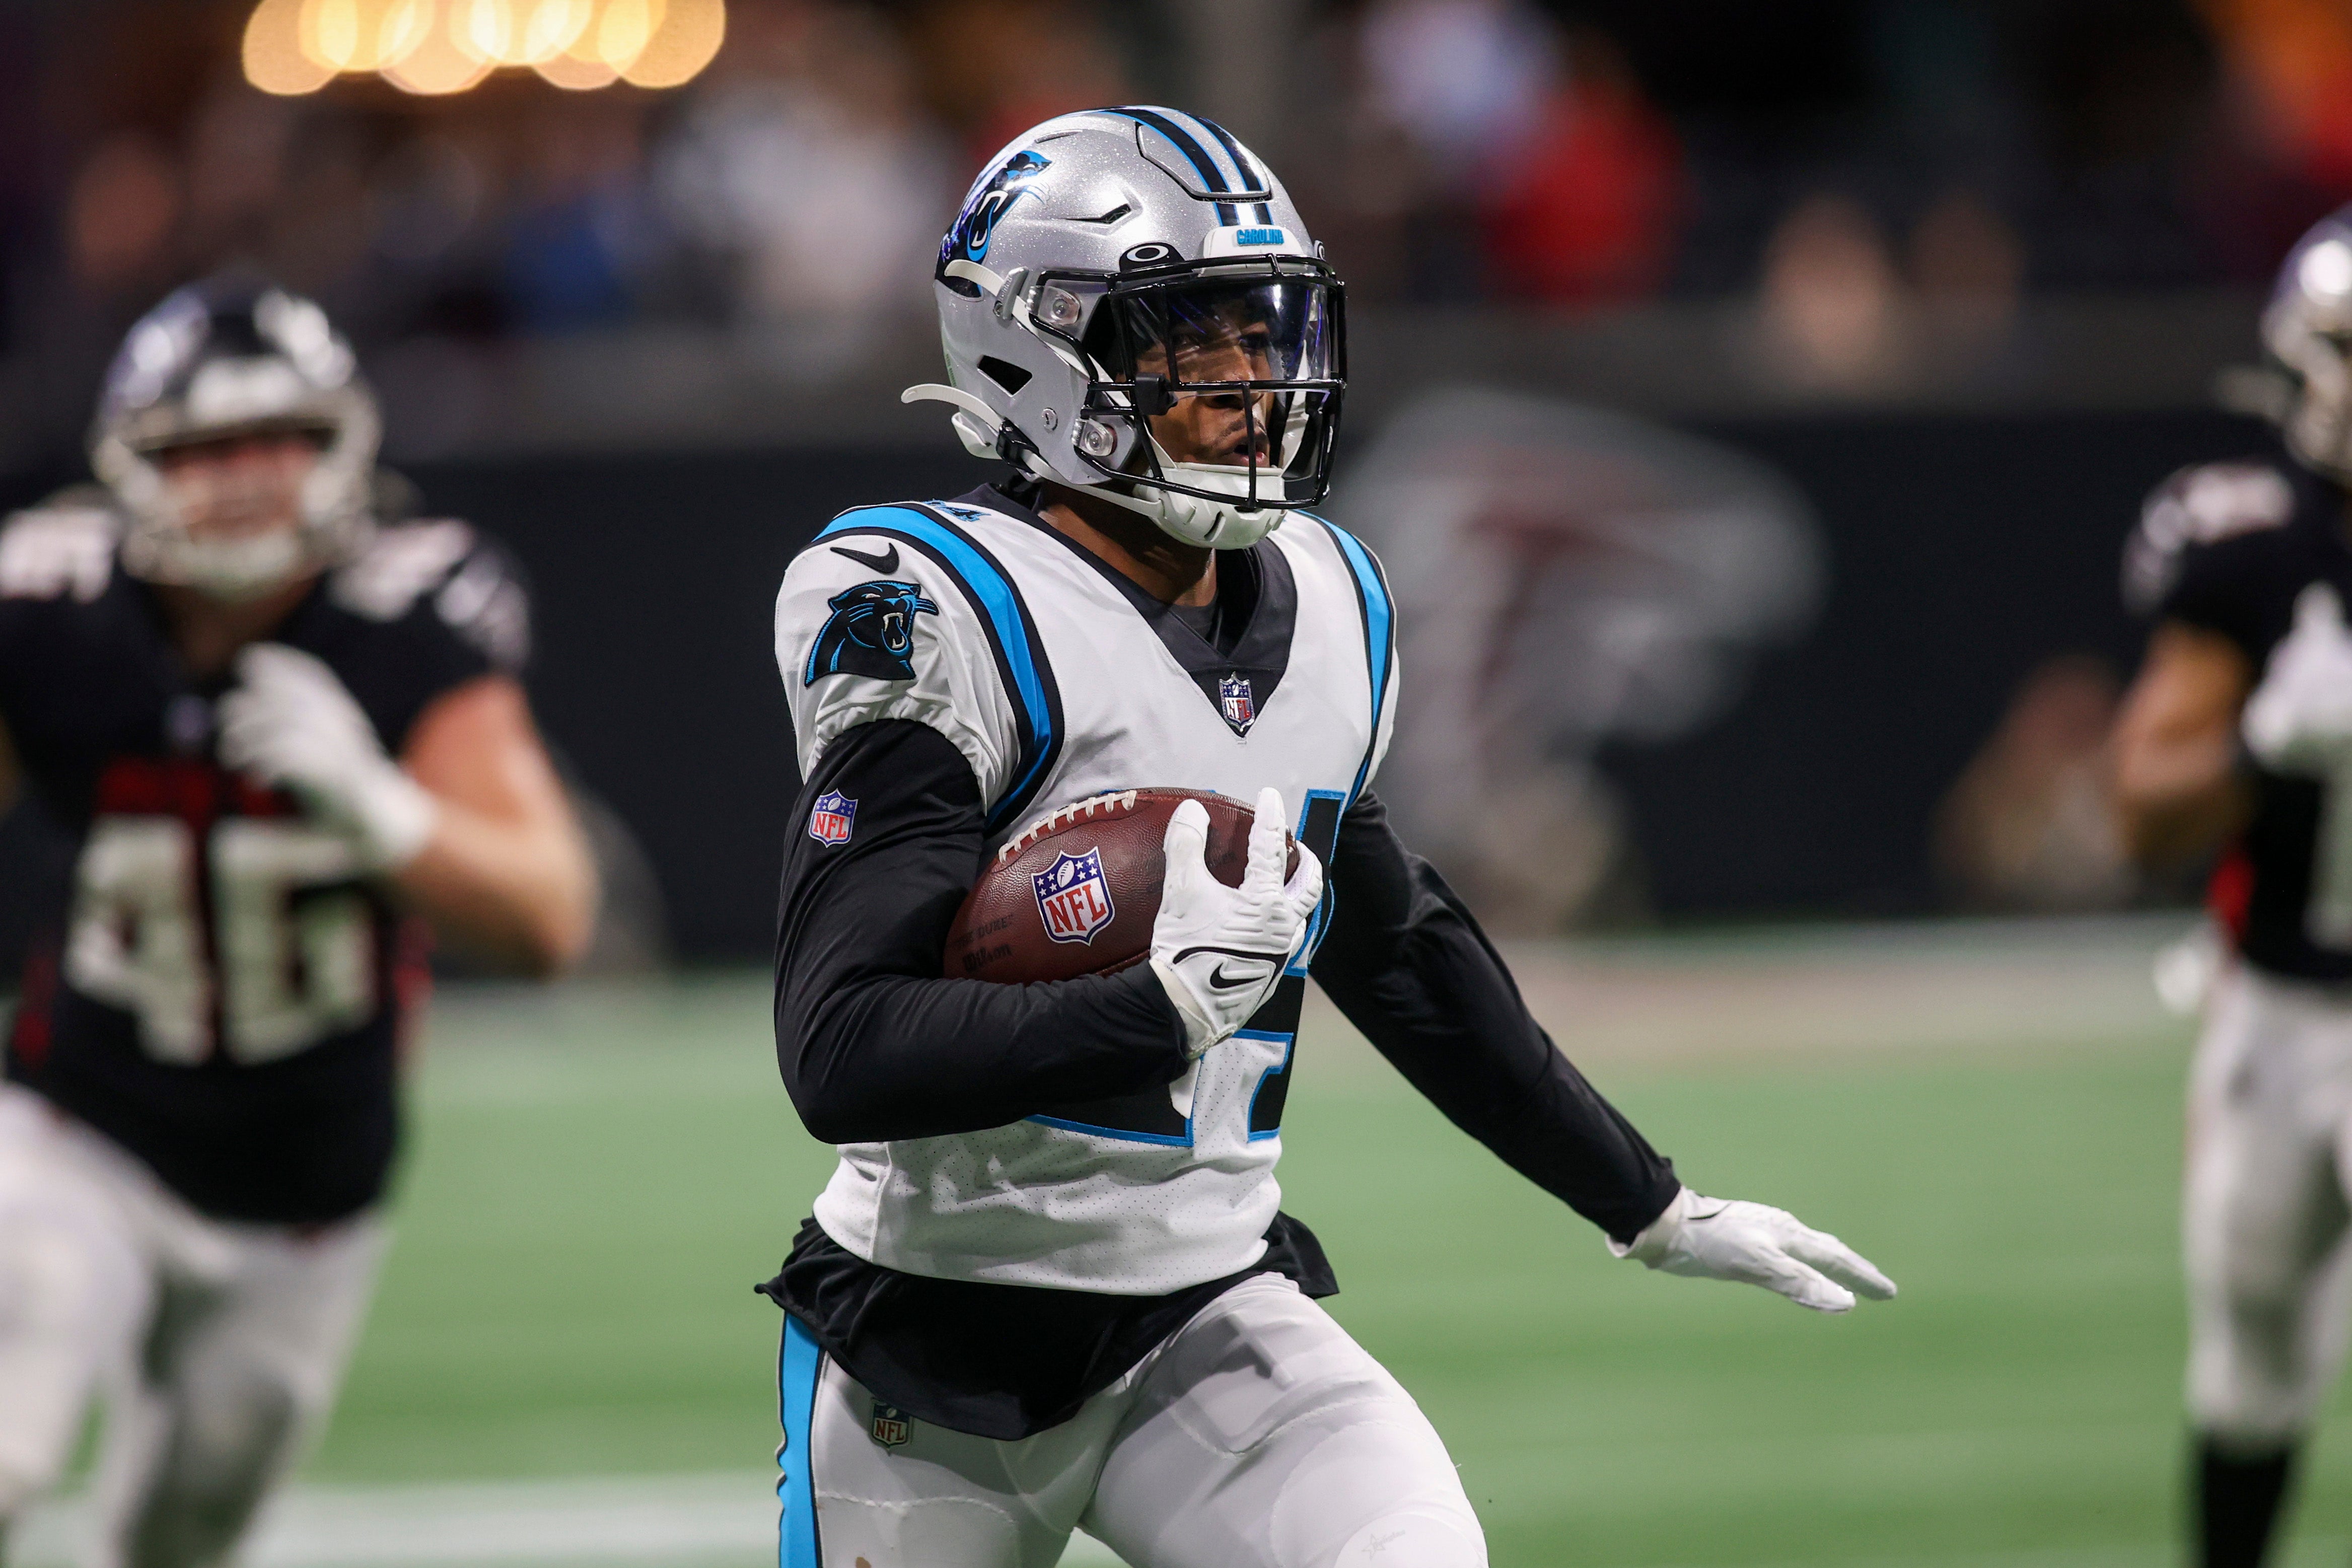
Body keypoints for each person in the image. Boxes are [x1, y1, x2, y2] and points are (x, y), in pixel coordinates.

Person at [765, 108, 1894, 1568]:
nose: (1255, 384)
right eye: (1194, 341)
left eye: (1264, 332)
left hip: (1205, 1311)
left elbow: (1398, 949)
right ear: (1038, 348)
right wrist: (1150, 1010)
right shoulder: (936, 602)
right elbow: (840, 1047)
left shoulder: (1330, 596)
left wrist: (1647, 1200)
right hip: (935, 1347)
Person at [0, 276, 595, 1567]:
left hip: (304, 1190)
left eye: (280, 438)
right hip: (80, 1128)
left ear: (344, 447)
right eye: (205, 446)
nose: (247, 477)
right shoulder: (52, 603)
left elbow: (550, 916)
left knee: (184, 1538)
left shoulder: (406, 614)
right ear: (132, 464)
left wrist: (385, 816)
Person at [2110, 203, 2352, 1568]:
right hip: (2278, 1010)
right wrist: (2264, 743)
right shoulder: (2254, 541)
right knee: (2250, 1366)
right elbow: (2141, 812)